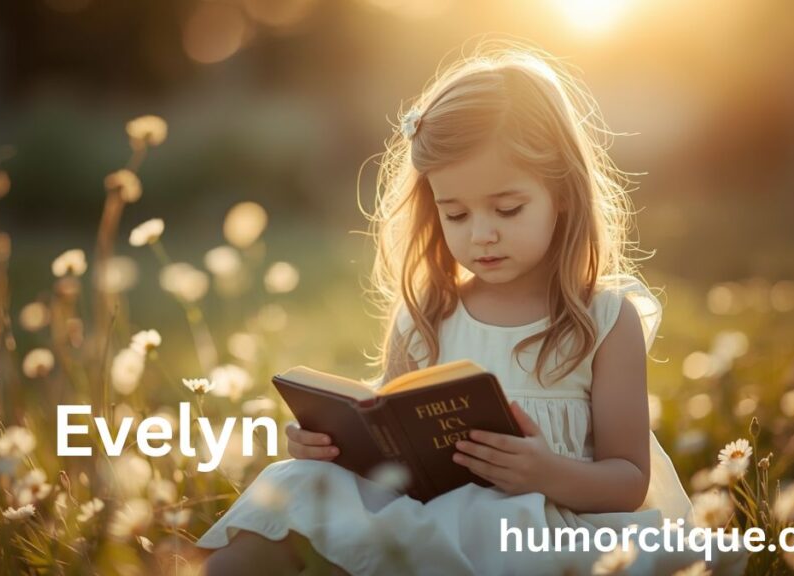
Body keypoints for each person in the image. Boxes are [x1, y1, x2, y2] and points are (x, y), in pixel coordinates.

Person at [198, 40, 748, 575]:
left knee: (489, 520)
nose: (482, 235)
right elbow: (392, 445)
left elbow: (628, 483)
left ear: (561, 193)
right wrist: (331, 447)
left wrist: (543, 472)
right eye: (455, 214)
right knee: (296, 481)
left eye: (507, 209)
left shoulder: (603, 320)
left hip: (546, 527)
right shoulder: (426, 318)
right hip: (431, 514)